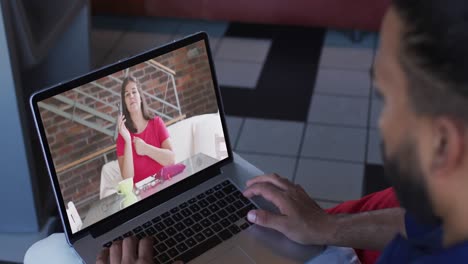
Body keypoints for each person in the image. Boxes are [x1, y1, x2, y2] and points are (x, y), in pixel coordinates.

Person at [98, 0, 468, 263]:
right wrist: (328, 228)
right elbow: (423, 226)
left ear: (443, 143)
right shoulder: (451, 210)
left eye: (386, 100)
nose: (381, 122)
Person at [116, 76, 175, 185]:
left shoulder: (156, 123)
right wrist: (128, 141)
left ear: (141, 97)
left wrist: (146, 149)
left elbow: (171, 159)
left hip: (166, 185)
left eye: (134, 92)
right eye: (127, 94)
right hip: (143, 195)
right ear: (125, 103)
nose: (131, 96)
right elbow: (127, 179)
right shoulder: (122, 137)